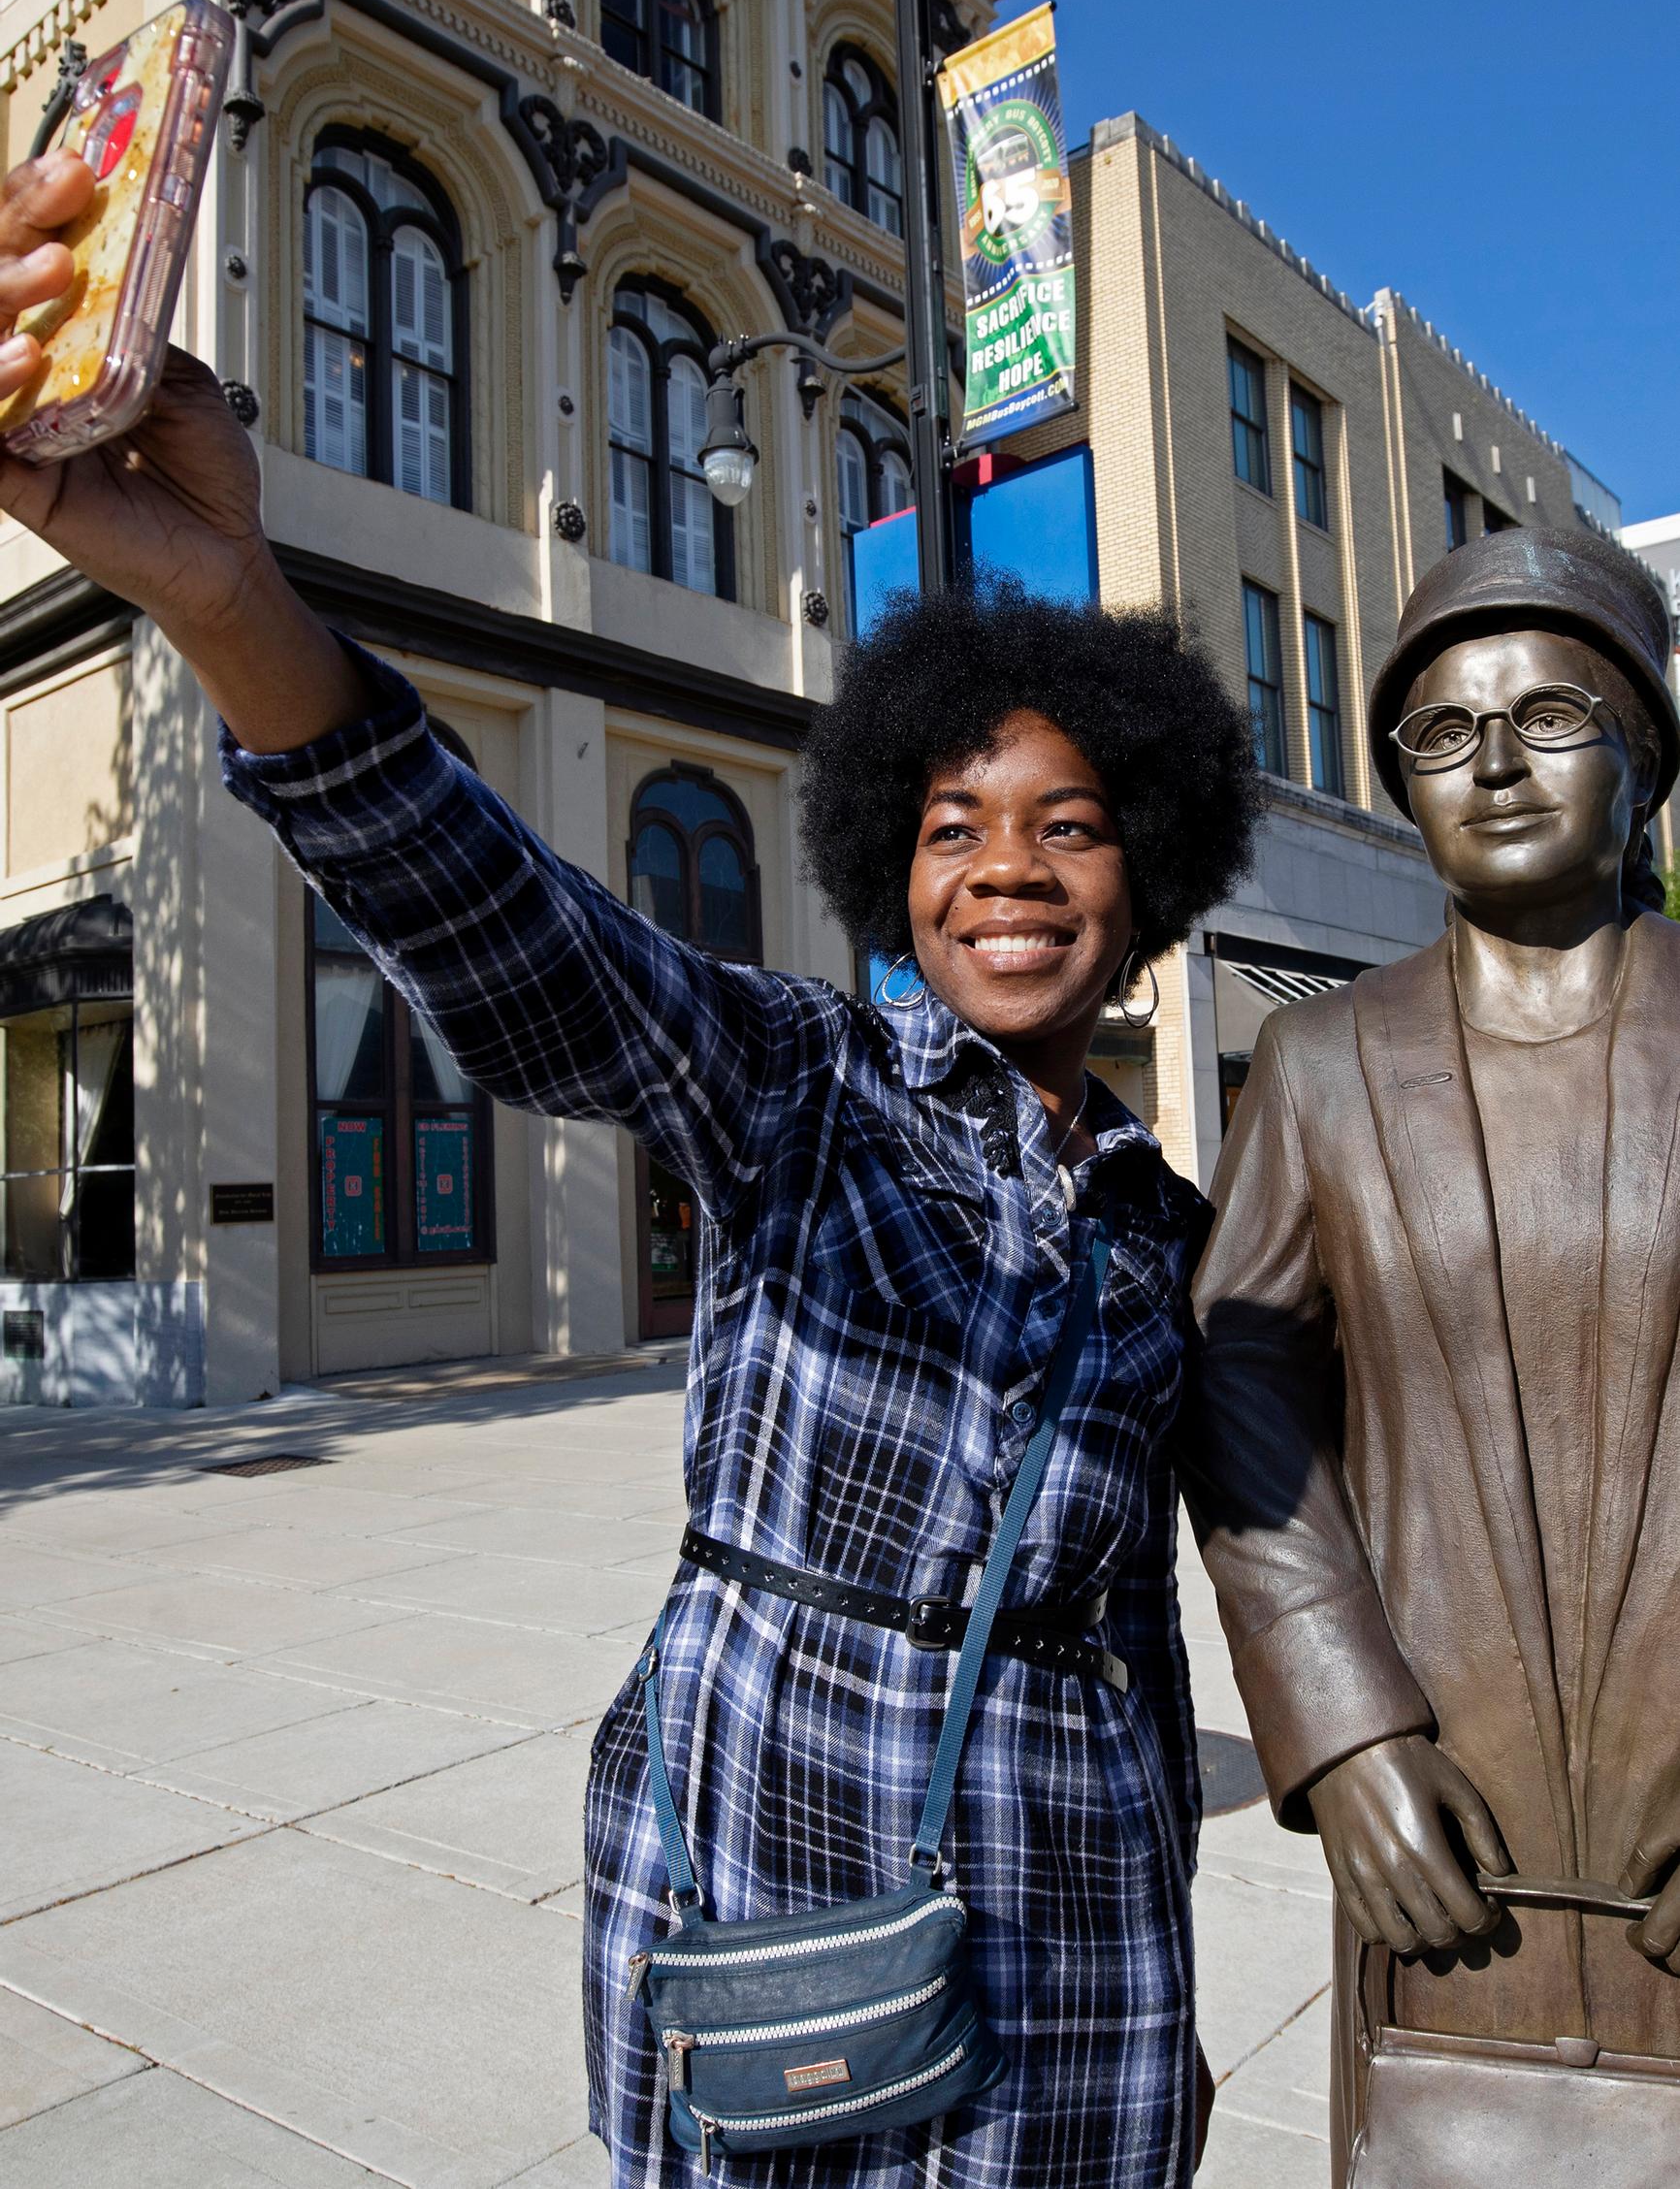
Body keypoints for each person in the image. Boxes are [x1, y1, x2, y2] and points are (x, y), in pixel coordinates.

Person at [0, 152, 1260, 2184]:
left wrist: (1179, 2016)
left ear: (1156, 868)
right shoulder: (795, 1082)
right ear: (886, 864)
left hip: (1080, 1949)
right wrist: (227, 594)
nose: (1007, 867)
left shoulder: (1174, 1236)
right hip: (769, 1896)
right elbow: (509, 935)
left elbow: (1184, 1611)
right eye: (950, 826)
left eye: (1070, 824)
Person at [1187, 524, 1680, 2183]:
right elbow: (1241, 1386)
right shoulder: (1321, 1063)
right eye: (1441, 731)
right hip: (1450, 1837)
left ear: (1642, 755)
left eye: (1549, 714)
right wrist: (1343, 1732)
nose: (1492, 762)